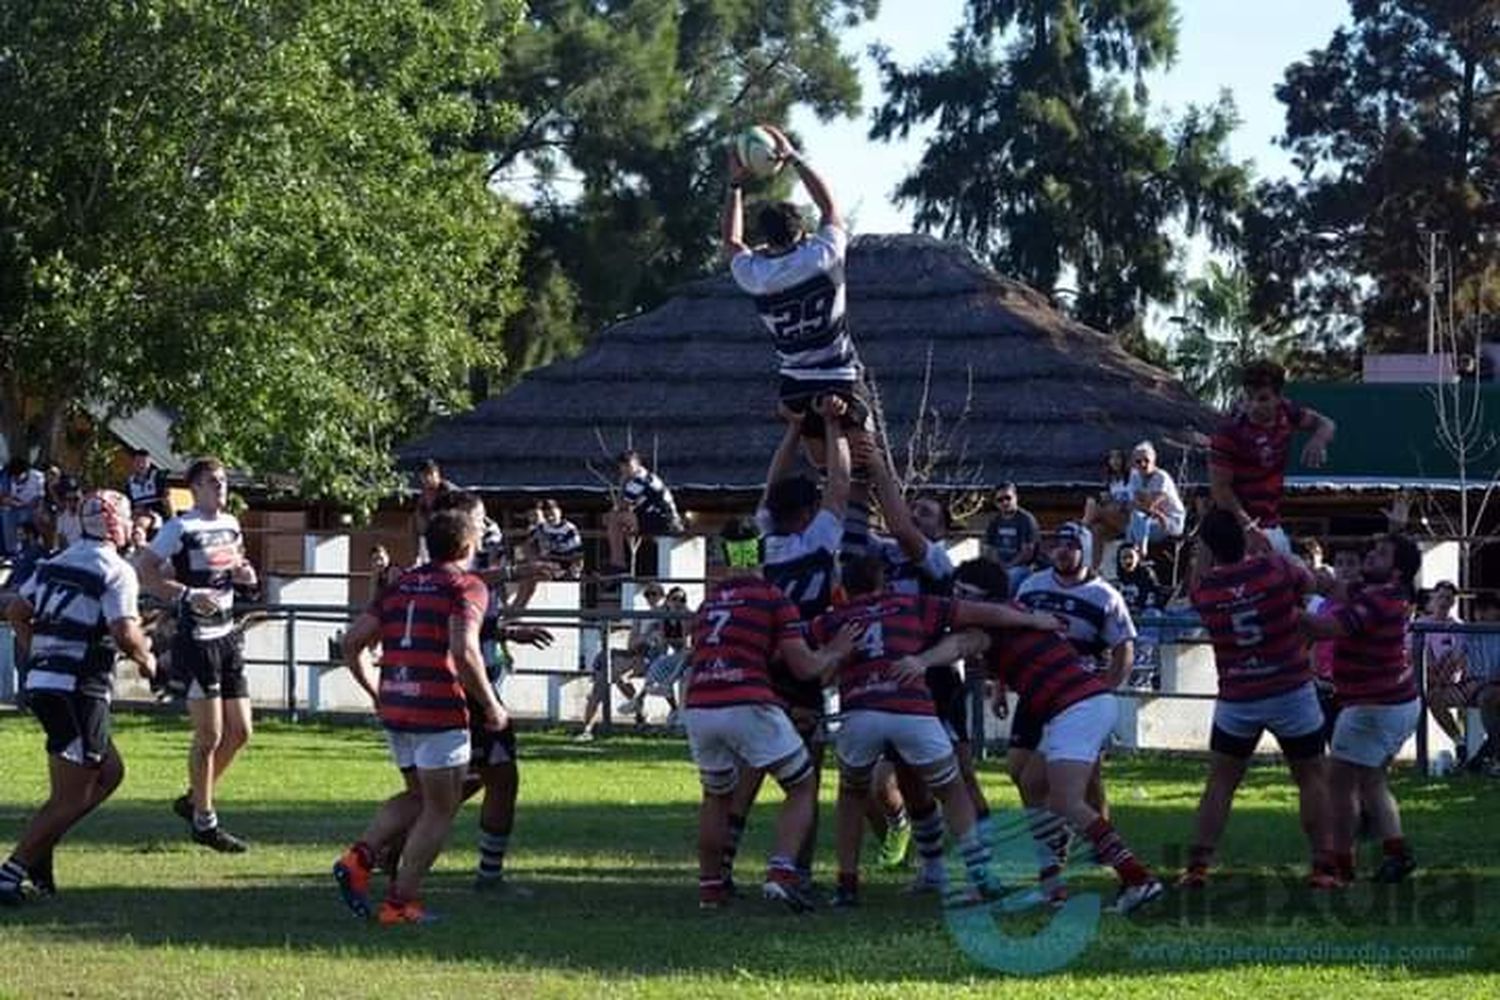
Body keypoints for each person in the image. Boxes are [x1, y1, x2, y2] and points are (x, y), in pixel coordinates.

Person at [892, 558, 1166, 916]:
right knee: (1032, 783)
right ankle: (1051, 886)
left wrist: (921, 661)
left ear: (986, 600)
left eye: (965, 595)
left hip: (1079, 706)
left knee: (1068, 801)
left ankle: (1138, 879)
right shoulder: (1012, 614)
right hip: (1072, 706)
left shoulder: (992, 623)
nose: (957, 602)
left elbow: (961, 644)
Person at [809, 553, 1069, 908]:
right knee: (953, 789)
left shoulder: (833, 620)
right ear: (883, 582)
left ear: (842, 588)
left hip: (862, 710)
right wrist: (1034, 618)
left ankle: (847, 885)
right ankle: (979, 872)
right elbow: (982, 613)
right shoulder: (912, 604)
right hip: (912, 707)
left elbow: (807, 663)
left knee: (852, 796)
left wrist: (832, 659)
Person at [332, 510, 510, 924]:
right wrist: (490, 704)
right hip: (438, 707)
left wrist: (374, 691)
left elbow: (353, 641)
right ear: (468, 546)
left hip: (396, 702)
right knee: (440, 808)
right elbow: (464, 649)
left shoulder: (400, 584)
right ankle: (399, 903)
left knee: (418, 797)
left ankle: (360, 859)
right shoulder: (466, 585)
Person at [684, 524, 862, 911]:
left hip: (699, 704)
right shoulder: (772, 597)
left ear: (726, 557)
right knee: (801, 784)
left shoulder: (708, 604)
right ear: (761, 556)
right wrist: (836, 650)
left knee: (717, 795)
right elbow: (803, 667)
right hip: (746, 700)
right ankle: (782, 873)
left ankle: (710, 888)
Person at [0, 491, 157, 905]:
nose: (131, 525)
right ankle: (12, 871)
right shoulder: (117, 570)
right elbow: (125, 632)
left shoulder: (55, 561)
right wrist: (148, 659)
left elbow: (17, 610)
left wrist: (40, 650)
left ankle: (41, 848)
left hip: (46, 682)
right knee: (72, 795)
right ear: (113, 523)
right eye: (127, 518)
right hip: (77, 688)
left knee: (110, 772)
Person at [718, 404, 850, 891]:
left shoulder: (760, 542)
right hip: (803, 660)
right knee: (805, 775)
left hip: (759, 663)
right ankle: (794, 869)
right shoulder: (817, 539)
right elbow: (840, 486)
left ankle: (724, 866)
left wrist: (794, 430)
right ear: (809, 511)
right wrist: (835, 425)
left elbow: (770, 485)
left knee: (748, 771)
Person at [1182, 509, 1332, 888]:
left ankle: (1198, 866)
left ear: (1209, 548)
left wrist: (1204, 546)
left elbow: (1195, 581)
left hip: (1238, 698)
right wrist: (1262, 543)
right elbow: (1311, 582)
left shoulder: (1207, 591)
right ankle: (1322, 867)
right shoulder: (1275, 569)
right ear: (1244, 537)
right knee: (1312, 778)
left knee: (1220, 783)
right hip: (1291, 690)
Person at [721, 125, 872, 454]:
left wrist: (735, 183)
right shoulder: (823, 256)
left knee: (821, 469)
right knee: (864, 470)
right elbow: (830, 208)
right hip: (841, 375)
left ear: (765, 238)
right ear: (802, 232)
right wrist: (794, 158)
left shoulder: (756, 275)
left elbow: (732, 242)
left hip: (795, 384)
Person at [139, 457, 259, 852]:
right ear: (194, 487)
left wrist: (245, 575)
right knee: (210, 734)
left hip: (228, 632)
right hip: (198, 637)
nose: (221, 486)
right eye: (212, 481)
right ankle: (205, 820)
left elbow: (233, 564)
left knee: (240, 732)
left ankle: (193, 800)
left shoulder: (230, 524)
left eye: (224, 480)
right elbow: (147, 569)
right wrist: (188, 595)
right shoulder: (180, 527)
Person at [1011, 522, 1136, 903]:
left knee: (1082, 778)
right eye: (1056, 545)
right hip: (1035, 694)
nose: (1061, 552)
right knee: (1020, 772)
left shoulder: (1104, 595)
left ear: (1084, 550)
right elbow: (1012, 635)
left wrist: (1107, 688)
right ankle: (1063, 844)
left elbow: (1124, 646)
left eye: (1070, 545)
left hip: (1076, 699)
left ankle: (1093, 847)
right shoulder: (1032, 586)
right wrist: (1003, 685)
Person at [1303, 534, 1423, 883]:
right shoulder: (1382, 594)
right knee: (1371, 782)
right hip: (1396, 702)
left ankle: (1340, 865)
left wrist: (1278, 607)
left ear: (1397, 573)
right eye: (1373, 549)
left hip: (1373, 707)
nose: (1371, 555)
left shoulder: (1378, 601)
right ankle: (1397, 853)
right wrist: (1305, 577)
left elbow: (1326, 628)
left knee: (1339, 784)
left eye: (1381, 554)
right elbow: (1336, 590)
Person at [1209, 360, 1336, 554]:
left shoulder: (1287, 412)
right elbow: (1220, 489)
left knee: (1304, 580)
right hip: (1237, 528)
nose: (1253, 405)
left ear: (1278, 398)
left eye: (1262, 399)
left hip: (1270, 523)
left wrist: (1318, 440)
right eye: (1249, 398)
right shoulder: (1230, 431)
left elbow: (1326, 423)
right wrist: (1249, 528)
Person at [601, 450, 683, 578]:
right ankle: (621, 562)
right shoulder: (646, 476)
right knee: (615, 518)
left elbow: (623, 506)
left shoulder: (639, 480)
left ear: (637, 464)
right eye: (623, 467)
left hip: (664, 520)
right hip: (661, 518)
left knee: (614, 519)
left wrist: (622, 484)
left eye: (629, 466)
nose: (626, 470)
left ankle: (618, 564)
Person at [1419, 582, 1469, 754]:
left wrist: (1439, 677)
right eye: (1440, 596)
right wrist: (1429, 669)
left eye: (1448, 598)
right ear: (1433, 597)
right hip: (1420, 682)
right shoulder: (1420, 624)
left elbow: (1456, 660)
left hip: (1448, 685)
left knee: (1434, 698)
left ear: (1453, 602)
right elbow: (1416, 655)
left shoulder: (1459, 627)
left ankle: (1459, 742)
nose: (1443, 601)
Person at [1123, 441, 1186, 556]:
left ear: (1154, 460)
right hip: (1151, 520)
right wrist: (1141, 505)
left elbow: (1148, 506)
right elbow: (1134, 505)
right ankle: (1134, 558)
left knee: (1136, 520)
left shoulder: (1161, 477)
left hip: (1170, 521)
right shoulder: (1134, 476)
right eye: (1138, 461)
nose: (1143, 464)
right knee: (1132, 524)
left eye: (1146, 460)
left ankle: (1140, 553)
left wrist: (1140, 504)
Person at [983, 484, 1040, 593]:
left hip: (1023, 567)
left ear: (1016, 497)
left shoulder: (1026, 520)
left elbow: (1027, 553)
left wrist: (1007, 567)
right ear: (995, 503)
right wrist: (999, 566)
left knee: (1009, 579)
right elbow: (988, 549)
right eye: (1000, 500)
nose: (1004, 502)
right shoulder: (994, 521)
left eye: (1008, 498)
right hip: (1000, 566)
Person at [1, 456, 47, 558]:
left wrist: (33, 507)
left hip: (33, 507)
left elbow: (40, 497)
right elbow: (3, 498)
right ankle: (12, 552)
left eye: (18, 476)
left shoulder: (38, 477)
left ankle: (36, 548)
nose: (16, 478)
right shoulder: (7, 477)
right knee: (6, 515)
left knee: (33, 516)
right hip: (14, 507)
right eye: (14, 476)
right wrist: (15, 503)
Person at [1113, 544, 1162, 615]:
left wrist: (1137, 607)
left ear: (1137, 558)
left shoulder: (1146, 574)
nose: (1128, 561)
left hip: (1145, 611)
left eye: (1131, 557)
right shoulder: (1116, 577)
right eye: (1124, 557)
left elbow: (1150, 596)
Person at [121, 448, 169, 518]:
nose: (141, 465)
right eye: (138, 462)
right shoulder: (129, 483)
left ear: (149, 463)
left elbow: (165, 498)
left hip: (155, 515)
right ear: (133, 463)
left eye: (144, 462)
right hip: (136, 514)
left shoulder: (157, 477)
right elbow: (128, 503)